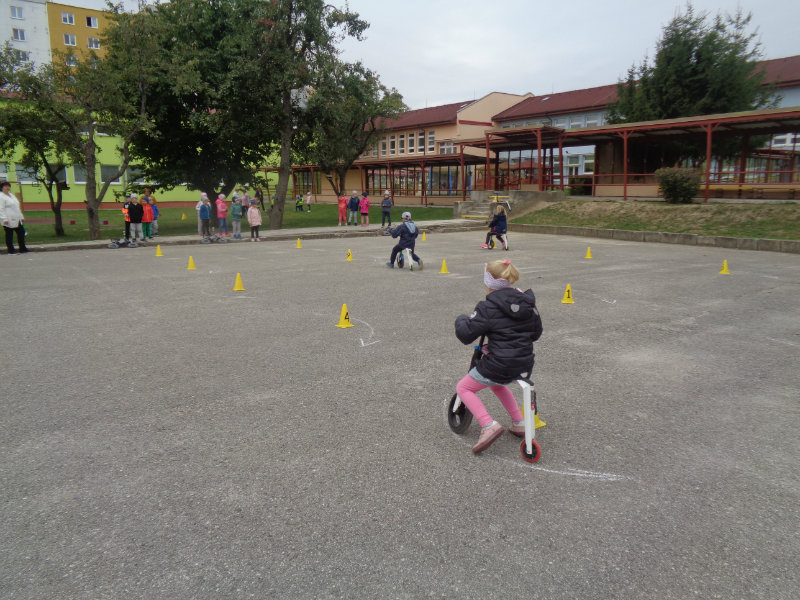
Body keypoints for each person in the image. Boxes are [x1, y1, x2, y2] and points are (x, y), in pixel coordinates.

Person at [454, 260, 543, 453]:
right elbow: (536, 333)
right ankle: (519, 422)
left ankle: (488, 425)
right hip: (524, 364)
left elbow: (466, 334)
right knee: (497, 383)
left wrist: (462, 319)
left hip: (500, 364)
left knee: (464, 387)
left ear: (488, 282)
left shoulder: (488, 307)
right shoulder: (527, 303)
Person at [0, 180, 28, 255]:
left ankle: (23, 248)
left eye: (8, 186)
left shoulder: (11, 195)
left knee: (21, 233)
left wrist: (21, 216)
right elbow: (1, 209)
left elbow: (17, 207)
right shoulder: (1, 196)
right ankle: (11, 250)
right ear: (2, 187)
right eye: (5, 186)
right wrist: (4, 219)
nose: (7, 187)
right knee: (9, 234)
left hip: (16, 218)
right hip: (8, 218)